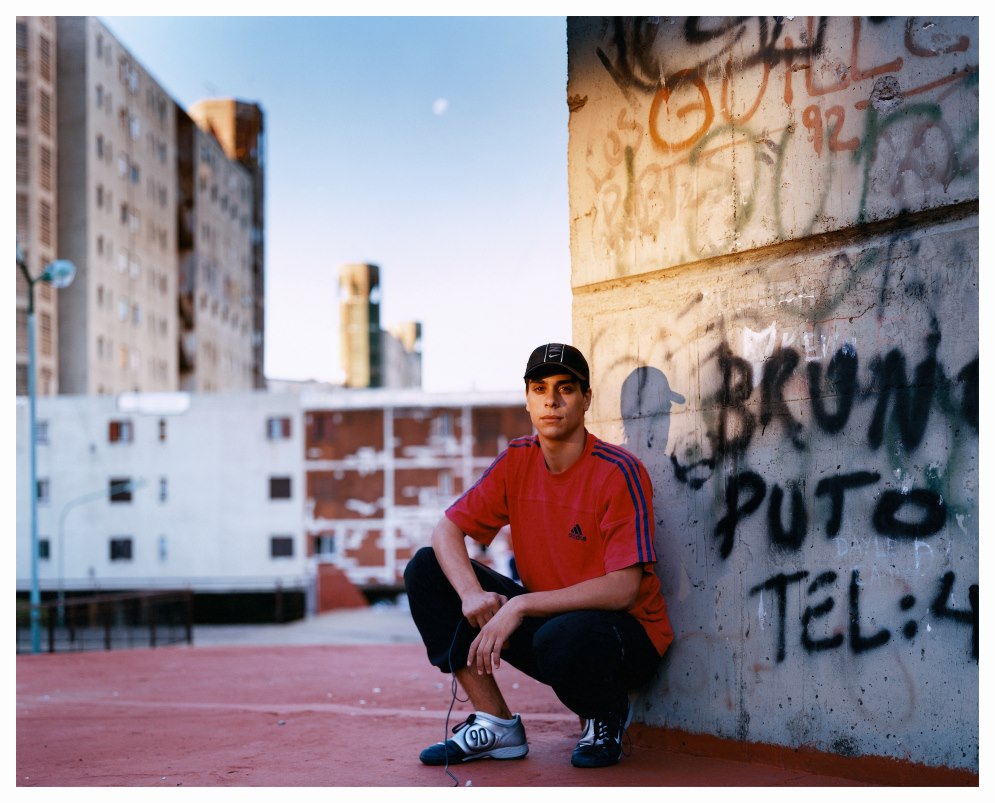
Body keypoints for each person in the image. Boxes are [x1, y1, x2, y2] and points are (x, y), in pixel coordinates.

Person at [404, 343, 674, 769]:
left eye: (566, 388)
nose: (552, 400)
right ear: (527, 399)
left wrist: (521, 605)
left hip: (625, 639)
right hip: (552, 625)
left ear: (586, 399)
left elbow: (625, 589)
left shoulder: (619, 471)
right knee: (426, 569)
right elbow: (447, 530)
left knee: (562, 636)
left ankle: (605, 715)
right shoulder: (518, 460)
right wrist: (473, 594)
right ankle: (495, 724)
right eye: (540, 388)